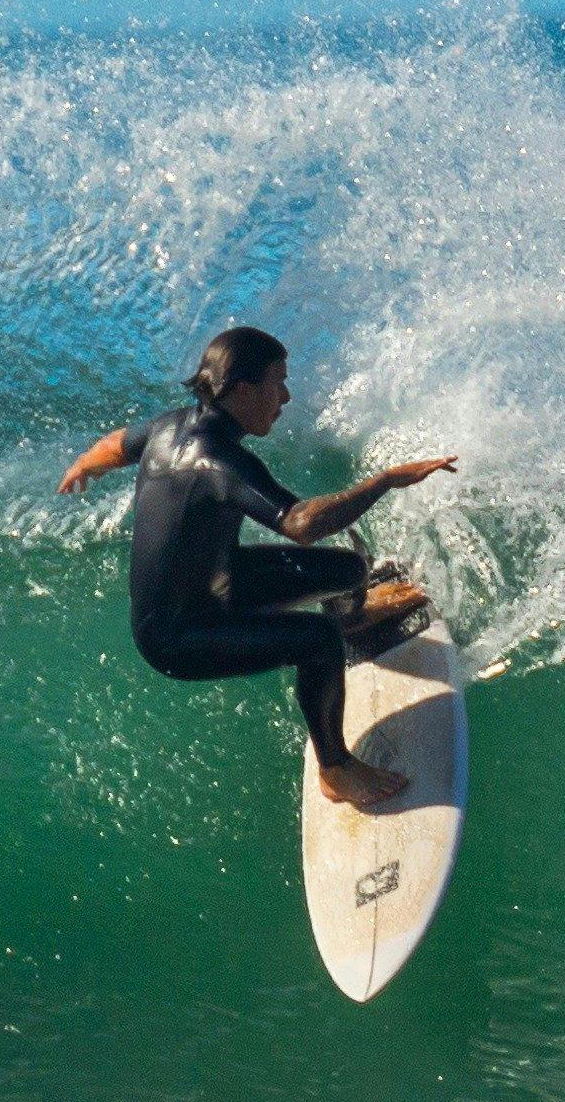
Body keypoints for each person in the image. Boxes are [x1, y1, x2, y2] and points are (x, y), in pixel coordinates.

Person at [57, 325, 459, 807]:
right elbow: (301, 524)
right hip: (175, 635)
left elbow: (118, 444)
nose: (286, 398)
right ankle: (335, 769)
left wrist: (86, 464)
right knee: (317, 640)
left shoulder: (170, 425)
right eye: (278, 384)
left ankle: (353, 617)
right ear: (243, 390)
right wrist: (385, 481)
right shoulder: (219, 461)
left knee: (349, 571)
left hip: (217, 579)